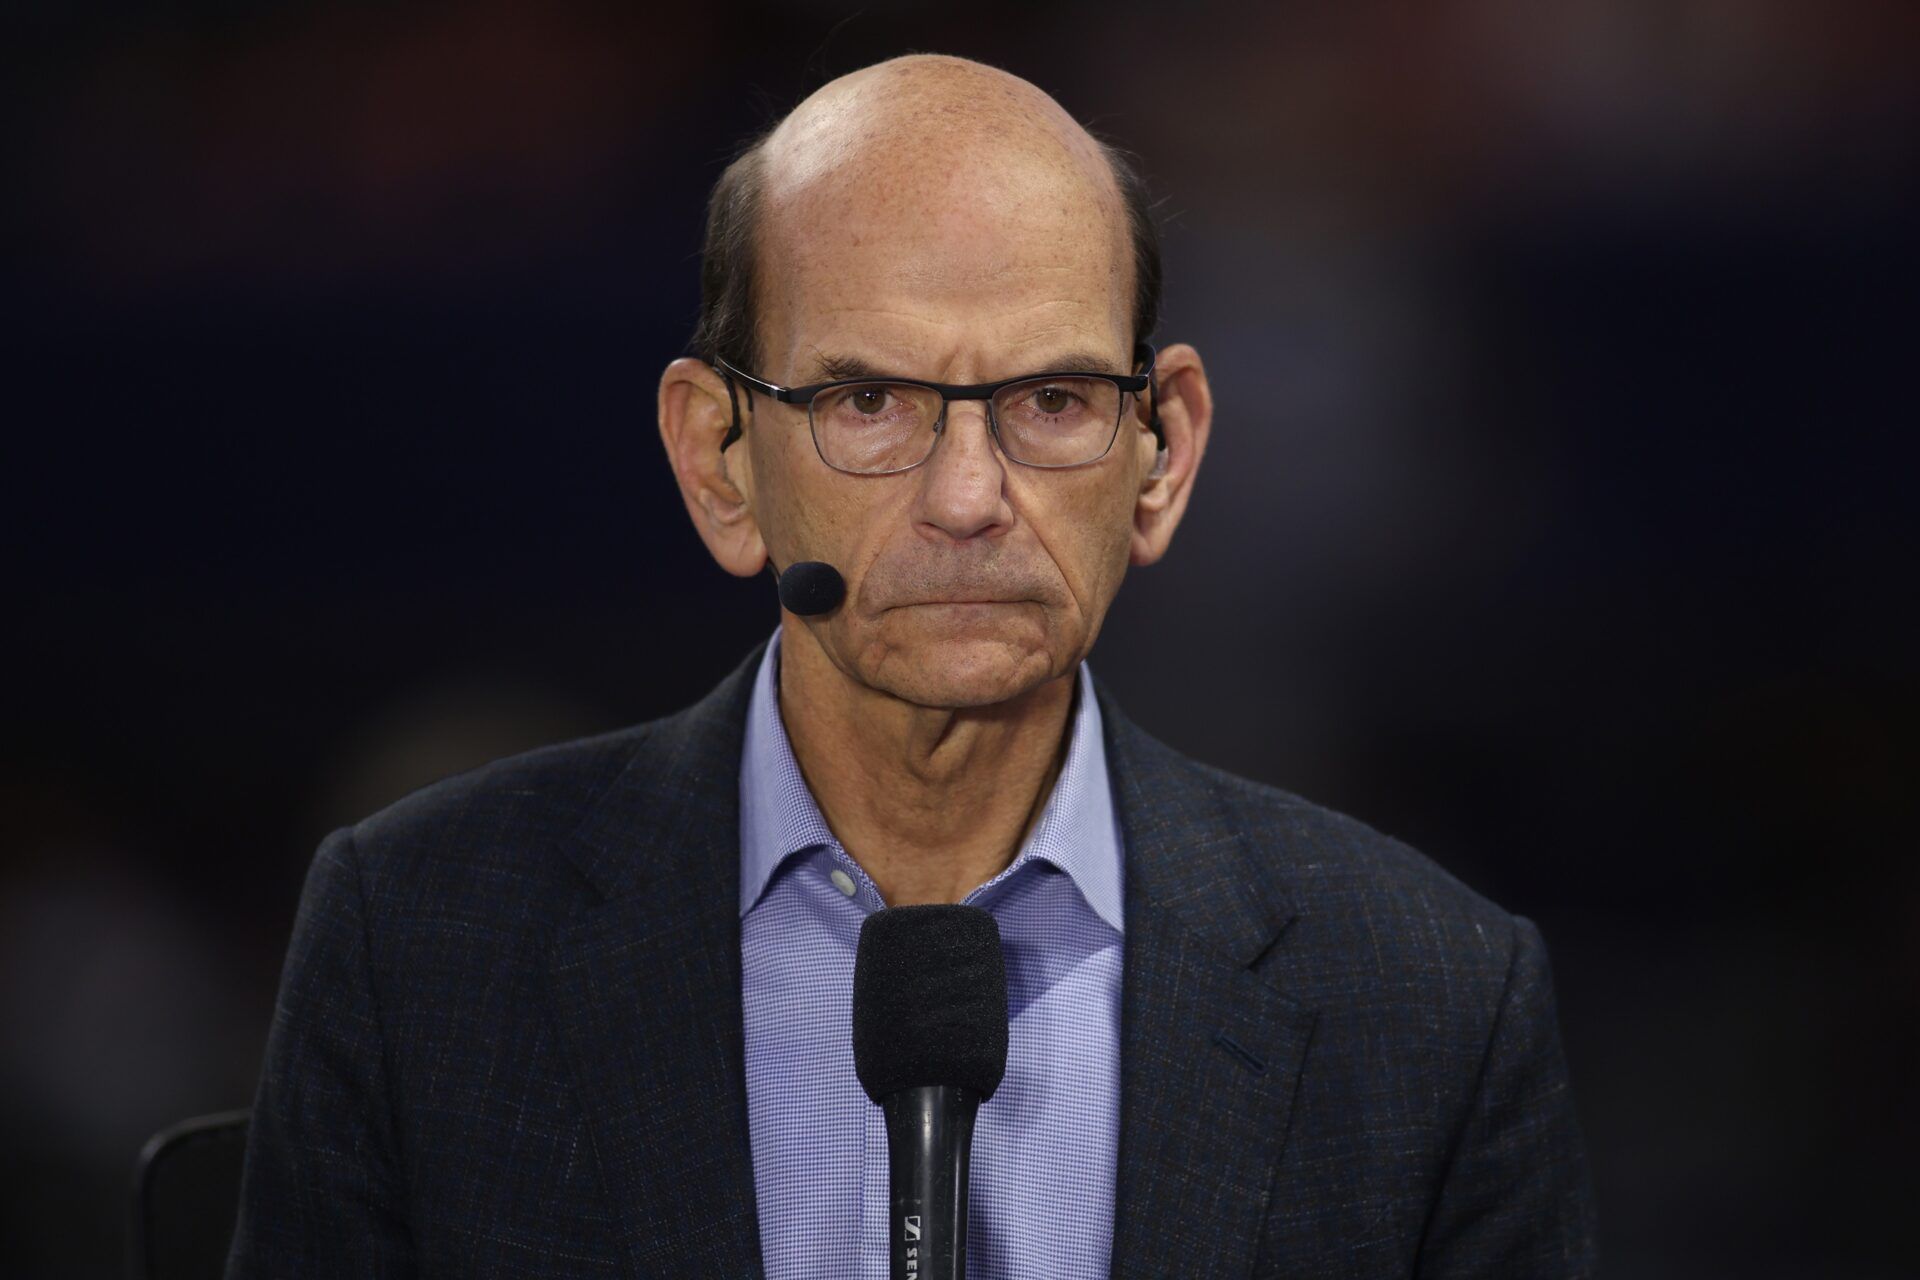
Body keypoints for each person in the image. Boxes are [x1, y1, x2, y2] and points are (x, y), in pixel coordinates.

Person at [227, 53, 1597, 1279]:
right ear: (719, 463)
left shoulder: (1432, 1004)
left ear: (1162, 456)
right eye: (867, 401)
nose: (966, 497)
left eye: (1052, 401)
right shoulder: (419, 945)